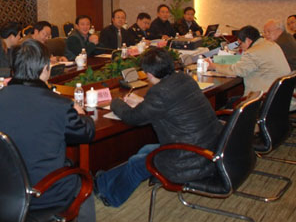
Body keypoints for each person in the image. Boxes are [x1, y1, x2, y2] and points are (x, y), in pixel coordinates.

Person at [0, 39, 96, 222]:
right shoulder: (59, 105)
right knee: (84, 181)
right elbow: (87, 133)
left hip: (3, 189)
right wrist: (81, 113)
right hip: (43, 193)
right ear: (45, 68)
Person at [94, 47, 223, 207]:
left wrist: (115, 102)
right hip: (210, 148)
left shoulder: (159, 92)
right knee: (146, 150)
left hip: (190, 161)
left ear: (149, 74)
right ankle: (102, 181)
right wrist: (143, 102)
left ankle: (112, 197)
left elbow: (133, 118)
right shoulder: (184, 79)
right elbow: (171, 106)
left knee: (137, 163)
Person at [207, 25, 290, 97]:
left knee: (230, 103)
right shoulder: (271, 44)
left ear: (248, 40)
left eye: (240, 44)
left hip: (264, 99)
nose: (240, 47)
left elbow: (237, 71)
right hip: (281, 97)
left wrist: (214, 66)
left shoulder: (253, 52)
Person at [263, 19, 296, 111]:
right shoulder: (286, 37)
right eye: (264, 32)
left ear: (279, 30)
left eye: (269, 31)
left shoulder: (280, 44)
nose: (266, 35)